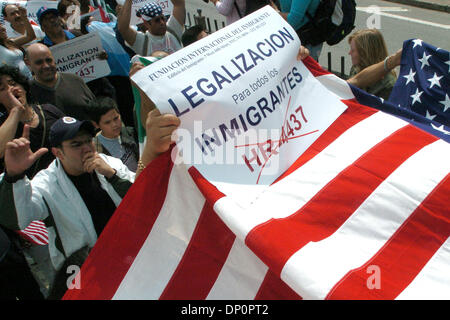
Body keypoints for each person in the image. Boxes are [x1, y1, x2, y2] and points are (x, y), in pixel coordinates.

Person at [0, 116, 136, 298]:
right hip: (86, 271)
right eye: (76, 144)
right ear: (58, 153)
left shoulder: (108, 163)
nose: (87, 148)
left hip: (128, 254)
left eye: (88, 140)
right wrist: (14, 176)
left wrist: (112, 175)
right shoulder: (46, 185)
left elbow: (140, 201)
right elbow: (17, 220)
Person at [0, 65, 65, 178]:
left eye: (13, 83)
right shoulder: (2, 126)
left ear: (24, 87)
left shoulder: (49, 110)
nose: (11, 89)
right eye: (2, 89)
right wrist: (16, 110)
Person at [24, 43, 95, 121]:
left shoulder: (75, 80)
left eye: (49, 60)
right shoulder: (27, 93)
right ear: (28, 63)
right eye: (39, 62)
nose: (46, 66)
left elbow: (95, 110)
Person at [87, 96, 139, 172]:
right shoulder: (97, 149)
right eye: (107, 122)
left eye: (116, 118)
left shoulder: (131, 133)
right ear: (96, 125)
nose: (114, 124)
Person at [117, 0, 186, 55]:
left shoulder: (172, 29)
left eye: (163, 18)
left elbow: (179, 4)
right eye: (157, 20)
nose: (162, 22)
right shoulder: (142, 42)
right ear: (147, 24)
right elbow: (123, 28)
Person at [347, 29, 397, 100]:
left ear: (364, 53)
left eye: (353, 50)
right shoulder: (356, 68)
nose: (349, 53)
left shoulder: (387, 85)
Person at [0, 10, 34, 79]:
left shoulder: (10, 42)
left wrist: (24, 17)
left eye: (2, 26)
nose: (3, 28)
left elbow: (30, 36)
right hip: (16, 84)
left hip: (29, 78)